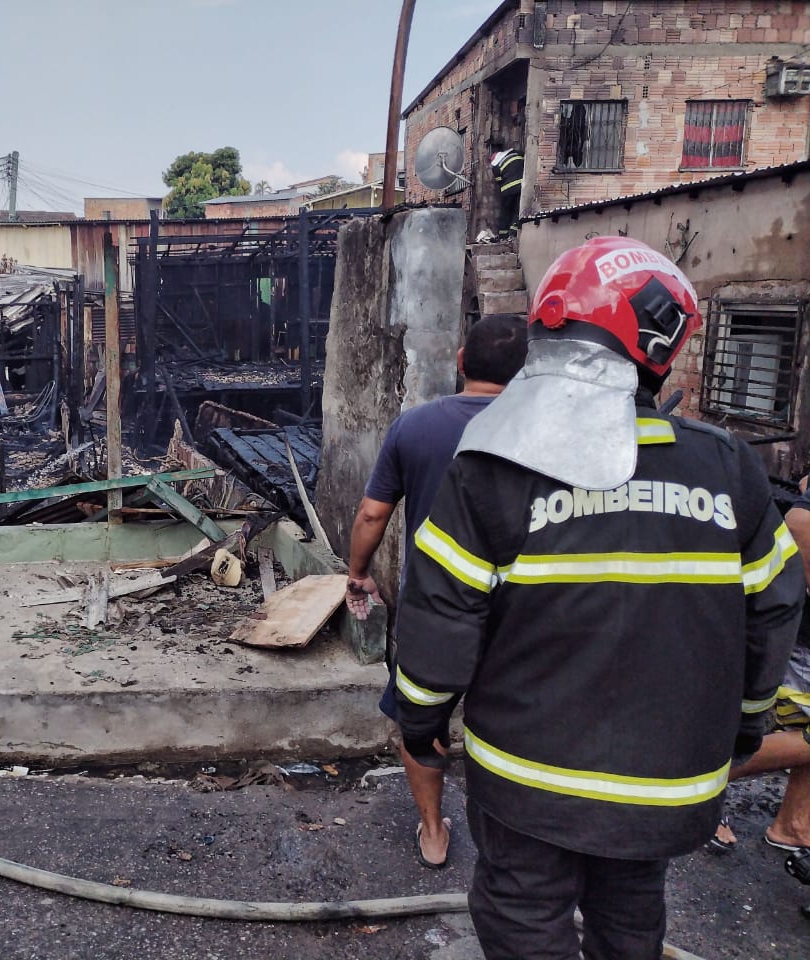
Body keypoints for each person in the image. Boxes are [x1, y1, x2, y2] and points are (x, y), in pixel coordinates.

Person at [393, 236, 804, 959]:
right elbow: (772, 611)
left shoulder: (492, 465)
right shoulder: (727, 467)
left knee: (523, 917)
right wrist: (743, 724)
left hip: (527, 778)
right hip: (668, 782)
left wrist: (421, 717)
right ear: (660, 351)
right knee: (631, 909)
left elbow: (442, 613)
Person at [344, 313, 527, 869]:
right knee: (518, 722)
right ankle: (515, 838)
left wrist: (358, 573)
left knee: (423, 723)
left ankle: (432, 831)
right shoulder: (546, 431)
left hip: (435, 612)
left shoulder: (416, 427)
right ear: (526, 373)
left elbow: (375, 512)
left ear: (461, 361)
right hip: (523, 613)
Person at [710, 478, 810, 854]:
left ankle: (793, 826)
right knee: (799, 731)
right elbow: (802, 524)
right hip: (799, 632)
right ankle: (698, 784)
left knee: (801, 725)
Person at [488, 147, 523, 236]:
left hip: (508, 190)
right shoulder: (517, 155)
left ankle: (503, 234)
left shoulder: (496, 166)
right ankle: (513, 232)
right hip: (521, 187)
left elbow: (499, 181)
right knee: (517, 210)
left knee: (506, 212)